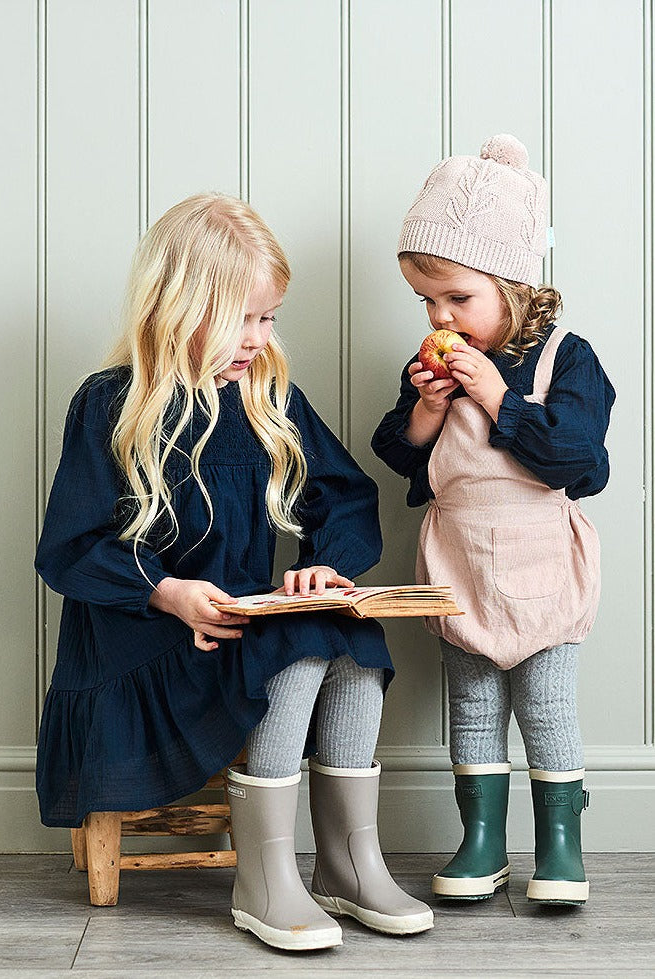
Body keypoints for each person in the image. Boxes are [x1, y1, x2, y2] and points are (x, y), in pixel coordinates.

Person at [36, 193, 433, 950]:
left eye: (269, 318)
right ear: (177, 306)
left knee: (353, 640)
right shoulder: (110, 405)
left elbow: (345, 497)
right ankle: (265, 876)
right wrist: (167, 591)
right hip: (152, 644)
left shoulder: (268, 397)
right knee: (298, 646)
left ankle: (350, 864)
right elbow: (70, 544)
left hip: (238, 628)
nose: (259, 337)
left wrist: (323, 567)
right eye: (242, 319)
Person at [372, 135, 615, 907]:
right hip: (460, 561)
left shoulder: (565, 361)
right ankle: (480, 840)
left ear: (514, 284)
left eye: (458, 298)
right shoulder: (434, 372)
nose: (441, 316)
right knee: (472, 704)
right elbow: (398, 455)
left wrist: (498, 399)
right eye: (427, 302)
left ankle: (559, 843)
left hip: (538, 560)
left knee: (544, 705)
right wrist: (425, 411)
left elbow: (574, 457)